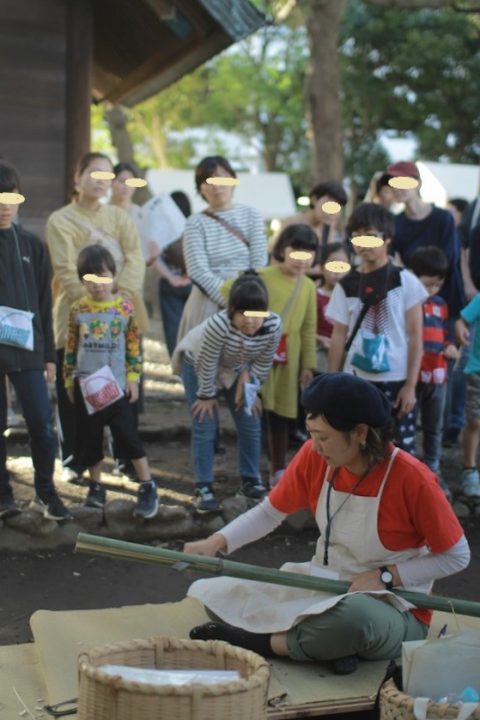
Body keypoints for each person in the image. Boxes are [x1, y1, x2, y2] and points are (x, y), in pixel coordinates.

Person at [184, 373, 470, 674]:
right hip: (325, 585)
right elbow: (270, 512)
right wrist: (217, 541)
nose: (315, 446)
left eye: (323, 437)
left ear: (360, 432)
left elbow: (457, 555)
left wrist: (386, 576)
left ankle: (257, 641)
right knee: (219, 595)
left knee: (355, 619)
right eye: (311, 434)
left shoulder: (413, 478)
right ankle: (325, 647)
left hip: (392, 606)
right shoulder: (314, 456)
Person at [46, 152, 146, 484]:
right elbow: (65, 270)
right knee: (73, 390)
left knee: (125, 392)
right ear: (78, 178)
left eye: (106, 174)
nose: (100, 180)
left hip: (120, 317)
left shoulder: (120, 218)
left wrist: (121, 299)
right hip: (77, 318)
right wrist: (94, 301)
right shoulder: (60, 220)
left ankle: (126, 459)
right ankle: (75, 458)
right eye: (93, 173)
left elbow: (134, 256)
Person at [172, 272, 281, 513]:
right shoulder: (218, 325)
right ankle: (203, 487)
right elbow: (207, 362)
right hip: (198, 363)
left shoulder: (273, 325)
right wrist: (206, 395)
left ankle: (251, 480)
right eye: (243, 313)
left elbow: (263, 362)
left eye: (257, 314)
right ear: (231, 309)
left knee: (250, 418)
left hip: (237, 368)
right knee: (205, 420)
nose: (250, 321)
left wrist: (251, 389)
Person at [64, 244, 158, 518]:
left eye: (104, 277)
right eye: (91, 280)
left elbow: (132, 347)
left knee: (127, 436)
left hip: (117, 387)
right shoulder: (77, 309)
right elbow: (71, 346)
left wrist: (133, 379)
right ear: (82, 281)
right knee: (90, 438)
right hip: (87, 388)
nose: (98, 285)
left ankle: (147, 484)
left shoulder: (124, 308)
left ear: (114, 276)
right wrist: (69, 379)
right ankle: (96, 485)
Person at [0, 160, 72, 520]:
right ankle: (3, 497)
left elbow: (45, 302)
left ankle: (46, 493)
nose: (5, 204)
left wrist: (47, 355)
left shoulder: (32, 244)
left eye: (11, 196)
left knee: (42, 422)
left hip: (27, 348)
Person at [328, 203, 426, 454]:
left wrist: (410, 386)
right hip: (356, 379)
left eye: (371, 236)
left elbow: (416, 336)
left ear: (388, 238)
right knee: (358, 447)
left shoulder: (405, 281)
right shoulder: (346, 284)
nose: (364, 243)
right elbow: (338, 335)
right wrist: (332, 382)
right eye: (358, 236)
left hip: (396, 379)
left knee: (399, 451)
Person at [177, 155, 268, 341]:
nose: (216, 186)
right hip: (207, 303)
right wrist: (233, 301)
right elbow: (198, 271)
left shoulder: (252, 215)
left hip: (247, 299)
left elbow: (259, 261)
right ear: (200, 188)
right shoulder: (195, 223)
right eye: (209, 181)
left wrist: (243, 301)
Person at [256, 225, 317, 487]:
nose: (302, 259)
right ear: (282, 250)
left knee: (281, 413)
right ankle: (251, 471)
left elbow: (308, 328)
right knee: (254, 408)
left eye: (309, 253)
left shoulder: (308, 286)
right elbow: (230, 294)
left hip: (289, 356)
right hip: (258, 352)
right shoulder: (261, 276)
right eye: (296, 252)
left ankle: (277, 469)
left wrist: (308, 364)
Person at [407, 246, 459, 498]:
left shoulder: (441, 305)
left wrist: (450, 346)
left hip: (438, 374)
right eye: (427, 285)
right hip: (412, 376)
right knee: (406, 424)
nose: (432, 291)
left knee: (434, 426)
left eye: (437, 285)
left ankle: (433, 470)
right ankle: (409, 471)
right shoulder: (407, 304)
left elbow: (446, 334)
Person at [142, 190, 192, 357]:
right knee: (194, 328)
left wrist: (170, 277)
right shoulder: (192, 226)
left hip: (170, 283)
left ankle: (178, 361)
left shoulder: (160, 228)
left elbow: (154, 257)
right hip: (193, 283)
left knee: (173, 330)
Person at [455, 296, 480, 498]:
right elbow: (462, 319)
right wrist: (461, 328)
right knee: (475, 421)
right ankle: (469, 469)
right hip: (477, 371)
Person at [315, 242, 350, 373]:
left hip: (347, 359)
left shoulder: (352, 299)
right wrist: (320, 339)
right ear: (321, 267)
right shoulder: (315, 296)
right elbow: (306, 329)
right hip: (320, 358)